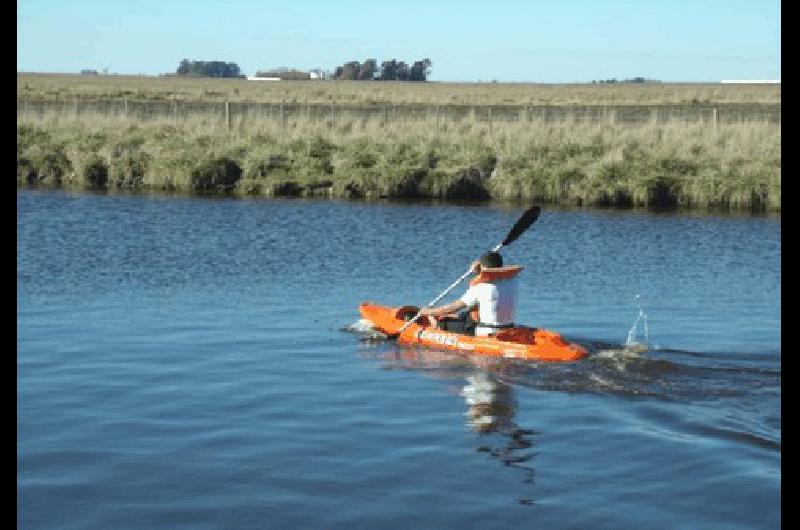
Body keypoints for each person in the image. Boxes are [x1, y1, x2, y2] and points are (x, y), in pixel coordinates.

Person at [416, 251, 521, 336]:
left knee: (443, 322)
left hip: (486, 331)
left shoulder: (480, 288)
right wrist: (481, 269)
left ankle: (436, 329)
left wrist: (428, 312)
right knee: (463, 315)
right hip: (508, 327)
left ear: (482, 268)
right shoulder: (513, 280)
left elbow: (453, 307)